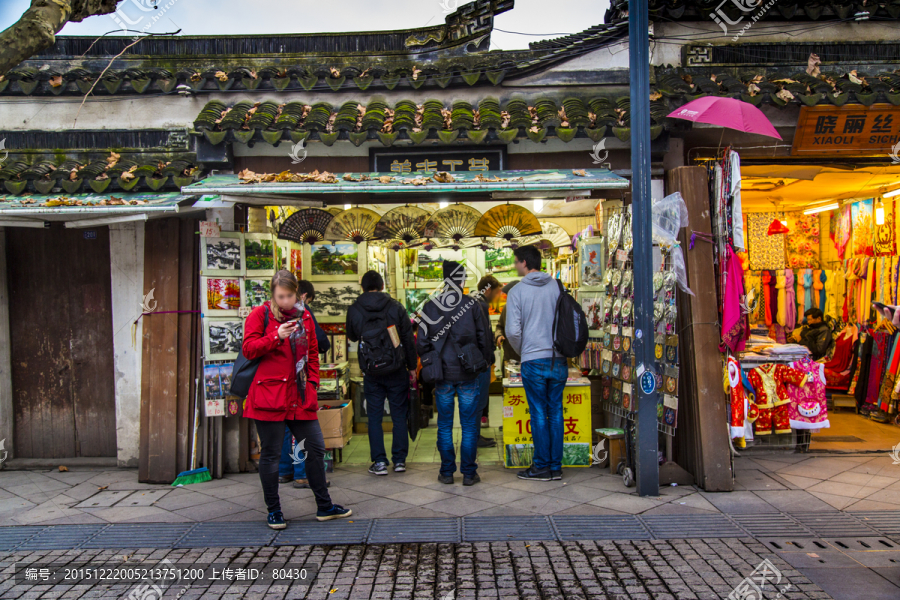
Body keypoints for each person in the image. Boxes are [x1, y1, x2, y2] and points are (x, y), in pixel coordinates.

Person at [242, 270, 352, 528]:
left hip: (300, 395)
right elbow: (248, 349)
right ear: (273, 294)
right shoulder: (260, 315)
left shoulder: (305, 317)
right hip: (268, 396)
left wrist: (312, 384)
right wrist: (275, 336)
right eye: (280, 296)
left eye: (290, 296)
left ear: (297, 293)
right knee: (270, 455)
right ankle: (274, 510)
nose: (285, 302)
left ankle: (324, 506)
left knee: (315, 448)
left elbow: (313, 353)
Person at [416, 261, 491, 486]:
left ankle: (447, 472)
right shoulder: (473, 304)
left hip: (442, 375)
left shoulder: (430, 307)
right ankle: (469, 473)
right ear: (461, 281)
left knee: (445, 425)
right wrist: (484, 362)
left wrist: (432, 360)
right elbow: (483, 338)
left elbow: (422, 342)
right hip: (468, 373)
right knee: (469, 425)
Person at [347, 270, 417, 476]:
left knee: (374, 417)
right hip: (397, 369)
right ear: (382, 286)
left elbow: (351, 335)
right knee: (398, 415)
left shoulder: (355, 309)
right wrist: (412, 367)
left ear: (363, 287)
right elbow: (407, 339)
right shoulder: (395, 307)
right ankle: (399, 461)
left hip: (371, 371)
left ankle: (379, 462)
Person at [505, 245, 565, 482]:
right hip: (558, 358)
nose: (514, 265)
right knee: (556, 412)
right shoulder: (557, 286)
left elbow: (512, 331)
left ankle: (541, 466)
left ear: (523, 263)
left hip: (532, 359)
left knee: (539, 412)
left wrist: (525, 352)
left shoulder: (517, 292)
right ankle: (555, 467)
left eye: (515, 261)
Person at [279, 280, 331, 489]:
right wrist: (312, 381)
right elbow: (321, 342)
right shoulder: (302, 311)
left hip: (280, 378)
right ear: (304, 295)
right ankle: (301, 473)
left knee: (284, 425)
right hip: (297, 377)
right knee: (300, 425)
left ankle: (285, 470)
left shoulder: (271, 312)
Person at [474, 275, 502, 448]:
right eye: (497, 292)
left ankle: (475, 436)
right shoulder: (481, 305)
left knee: (476, 402)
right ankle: (474, 437)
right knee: (479, 401)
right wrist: (489, 358)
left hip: (474, 360)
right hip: (480, 362)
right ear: (489, 289)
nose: (498, 296)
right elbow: (483, 335)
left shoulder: (472, 301)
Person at [495, 280, 521, 376]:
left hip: (527, 360)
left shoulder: (529, 308)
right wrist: (499, 335)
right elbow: (500, 326)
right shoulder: (507, 307)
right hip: (509, 358)